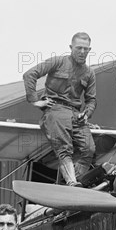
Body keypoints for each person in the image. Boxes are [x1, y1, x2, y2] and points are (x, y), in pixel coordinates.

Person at [23, 32, 96, 187]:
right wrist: (35, 101)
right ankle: (71, 182)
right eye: (79, 48)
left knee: (89, 149)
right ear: (71, 47)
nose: (82, 52)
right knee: (64, 148)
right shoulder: (57, 62)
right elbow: (30, 74)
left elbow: (91, 100)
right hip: (55, 110)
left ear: (90, 50)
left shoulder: (89, 73)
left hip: (76, 115)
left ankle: (72, 183)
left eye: (86, 49)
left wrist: (87, 113)